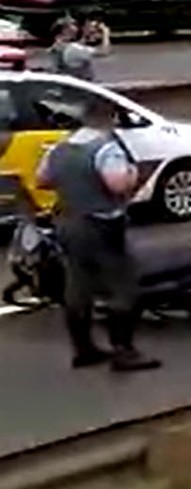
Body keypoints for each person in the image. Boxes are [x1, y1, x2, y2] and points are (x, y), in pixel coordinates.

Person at [34, 98, 159, 371]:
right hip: (101, 225)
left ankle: (83, 349)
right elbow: (116, 185)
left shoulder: (58, 148)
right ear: (109, 120)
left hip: (67, 223)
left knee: (78, 286)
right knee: (123, 286)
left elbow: (42, 180)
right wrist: (133, 174)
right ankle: (123, 351)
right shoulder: (106, 148)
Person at [47, 17, 110, 82]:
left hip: (67, 84)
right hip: (84, 85)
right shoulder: (74, 48)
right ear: (65, 30)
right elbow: (104, 52)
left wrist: (87, 35)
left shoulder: (55, 48)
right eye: (73, 25)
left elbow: (78, 45)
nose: (76, 27)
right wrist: (106, 33)